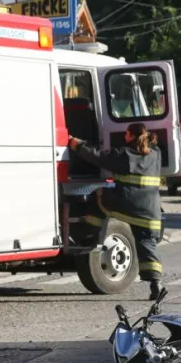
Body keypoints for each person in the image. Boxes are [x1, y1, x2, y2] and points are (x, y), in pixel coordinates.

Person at [68, 122, 165, 300]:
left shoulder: (125, 155)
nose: (124, 136)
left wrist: (77, 144)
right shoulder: (156, 154)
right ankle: (156, 284)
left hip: (126, 204)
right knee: (147, 243)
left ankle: (90, 236)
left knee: (98, 195)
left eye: (126, 134)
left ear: (131, 136)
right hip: (150, 211)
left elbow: (98, 156)